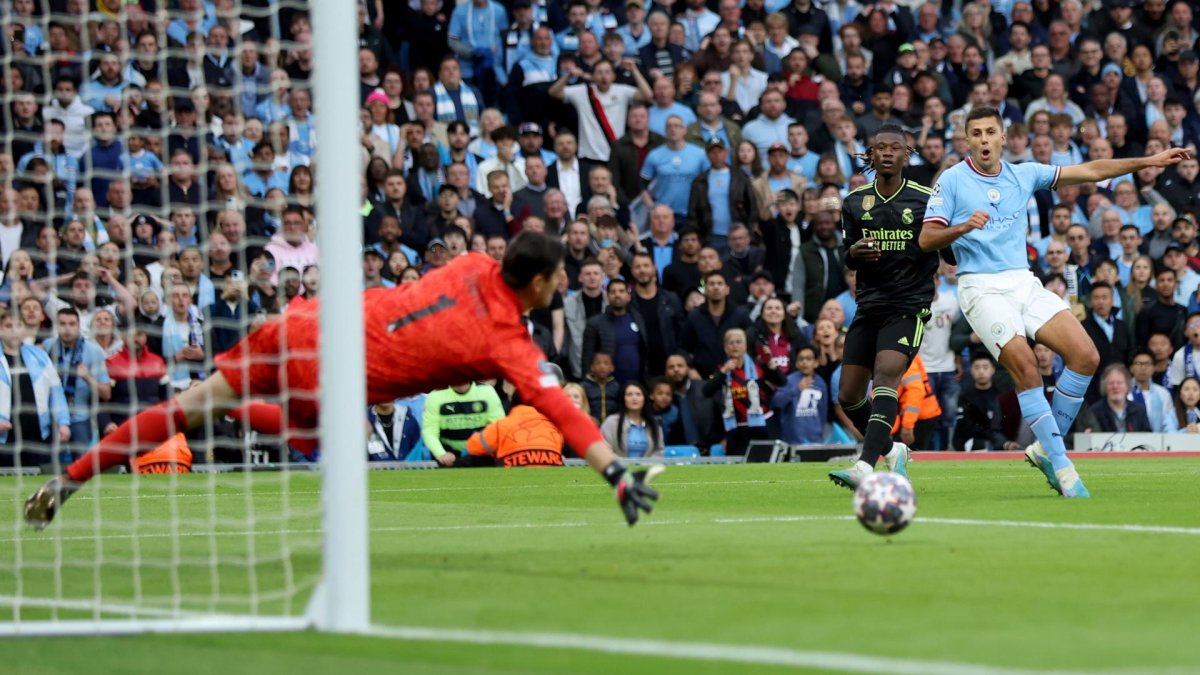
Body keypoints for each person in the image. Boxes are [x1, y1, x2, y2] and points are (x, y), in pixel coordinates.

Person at [26, 233, 664, 528]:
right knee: (333, 433)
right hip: (328, 372)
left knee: (185, 407)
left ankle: (69, 478)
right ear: (540, 283)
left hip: (304, 321)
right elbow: (565, 411)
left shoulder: (473, 261)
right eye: (558, 278)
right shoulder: (508, 344)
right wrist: (613, 472)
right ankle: (235, 412)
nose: (560, 284)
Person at [919, 105, 1190, 498]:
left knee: (1086, 356)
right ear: (966, 140)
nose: (983, 140)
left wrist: (1149, 160)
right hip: (980, 287)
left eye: (990, 132)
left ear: (1003, 137)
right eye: (975, 133)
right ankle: (1063, 467)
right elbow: (927, 239)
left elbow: (1092, 170)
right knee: (1027, 365)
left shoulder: (1024, 173)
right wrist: (962, 227)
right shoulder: (952, 180)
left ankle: (1046, 448)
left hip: (1023, 282)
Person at [828, 125, 946, 489]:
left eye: (896, 147)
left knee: (885, 376)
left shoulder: (926, 200)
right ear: (871, 155)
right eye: (881, 148)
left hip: (909, 305)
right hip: (869, 306)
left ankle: (864, 466)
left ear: (907, 155)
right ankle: (893, 450)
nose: (889, 153)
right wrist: (854, 252)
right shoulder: (853, 202)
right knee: (848, 396)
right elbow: (847, 257)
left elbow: (949, 253)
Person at [421, 382, 506, 467]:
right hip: (448, 454)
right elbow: (429, 431)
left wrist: (482, 449)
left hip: (482, 452)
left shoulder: (487, 391)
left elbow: (498, 427)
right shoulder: (436, 395)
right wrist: (441, 454)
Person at [601, 381, 665, 458]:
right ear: (623, 399)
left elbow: (659, 451)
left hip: (647, 465)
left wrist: (646, 464)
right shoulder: (611, 422)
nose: (634, 398)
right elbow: (604, 450)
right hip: (618, 465)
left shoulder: (653, 424)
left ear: (644, 399)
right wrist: (622, 464)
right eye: (629, 394)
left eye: (638, 394)